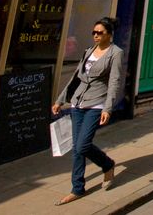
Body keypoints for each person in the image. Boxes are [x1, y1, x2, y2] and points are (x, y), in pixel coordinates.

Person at [52, 17, 125, 205]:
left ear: (109, 34)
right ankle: (77, 188)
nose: (95, 36)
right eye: (94, 32)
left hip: (97, 103)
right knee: (76, 149)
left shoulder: (115, 53)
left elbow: (114, 82)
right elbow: (76, 78)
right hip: (78, 102)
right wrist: (61, 100)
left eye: (100, 33)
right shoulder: (88, 51)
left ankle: (107, 164)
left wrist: (108, 108)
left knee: (83, 145)